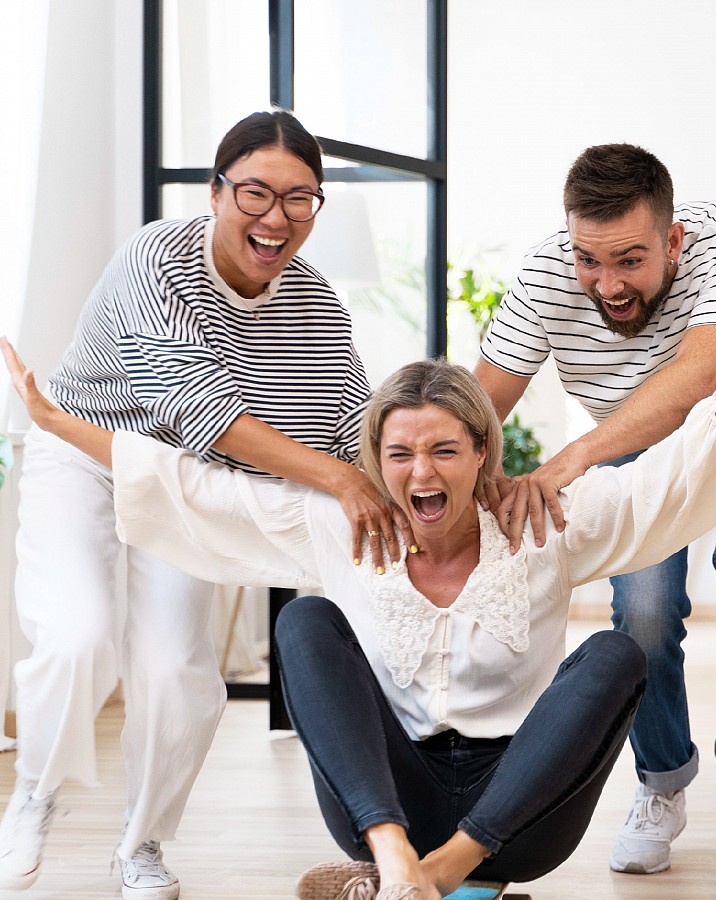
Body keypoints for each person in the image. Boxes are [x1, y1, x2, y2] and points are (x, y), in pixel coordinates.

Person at [2, 255, 716, 900]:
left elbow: (665, 482)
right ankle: (402, 868)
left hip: (521, 819)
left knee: (616, 655)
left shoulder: (541, 520)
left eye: (444, 451)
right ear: (376, 462)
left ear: (482, 454)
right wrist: (57, 423)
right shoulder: (340, 524)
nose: (420, 471)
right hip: (381, 804)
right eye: (399, 454)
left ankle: (438, 877)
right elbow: (198, 490)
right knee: (305, 624)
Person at [0, 110, 400, 898]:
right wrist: (339, 481)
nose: (276, 217)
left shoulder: (315, 305)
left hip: (183, 483)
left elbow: (351, 426)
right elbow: (199, 405)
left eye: (300, 199)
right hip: (86, 453)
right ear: (216, 192)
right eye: (255, 191)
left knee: (176, 668)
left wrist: (419, 478)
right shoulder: (156, 257)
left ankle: (142, 844)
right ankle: (34, 793)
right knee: (79, 638)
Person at [474, 143, 716, 875]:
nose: (605, 284)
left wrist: (569, 461)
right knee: (647, 603)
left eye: (629, 260)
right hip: (623, 425)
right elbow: (480, 409)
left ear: (674, 240)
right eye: (589, 261)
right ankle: (662, 786)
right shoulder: (546, 274)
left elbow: (704, 375)